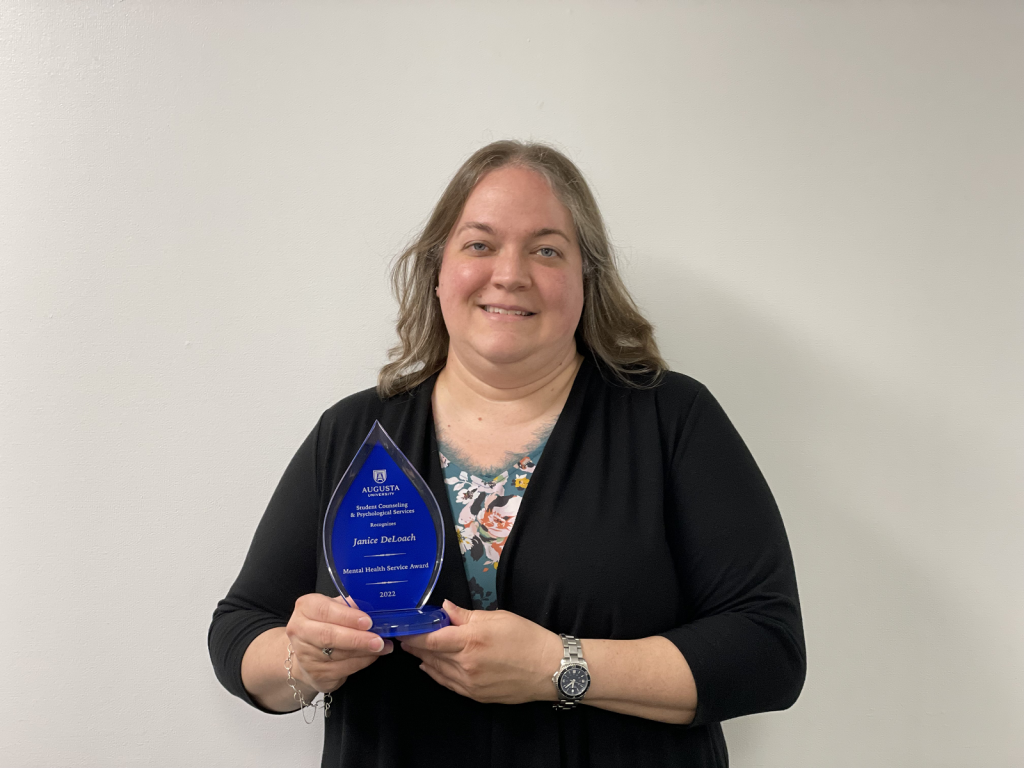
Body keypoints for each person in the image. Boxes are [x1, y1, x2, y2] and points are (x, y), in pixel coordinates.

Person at [208, 140, 805, 767]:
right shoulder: (352, 431)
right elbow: (239, 631)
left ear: (586, 281)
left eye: (547, 250)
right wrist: (302, 660)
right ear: (438, 272)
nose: (511, 273)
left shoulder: (671, 420)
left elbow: (768, 651)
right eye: (479, 244)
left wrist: (559, 666)